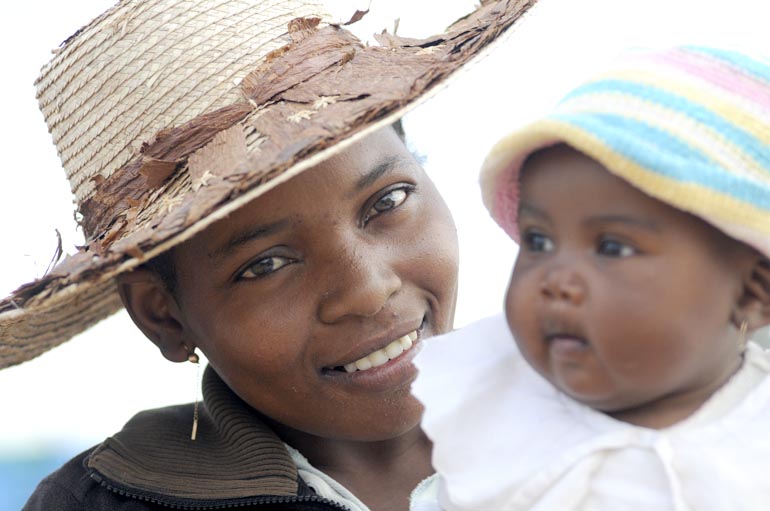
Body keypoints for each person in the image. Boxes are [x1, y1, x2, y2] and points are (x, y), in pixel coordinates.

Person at [0, 0, 536, 509]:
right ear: (162, 315)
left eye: (387, 201)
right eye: (266, 264)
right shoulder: (98, 504)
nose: (368, 290)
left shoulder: (596, 412)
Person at [412, 45, 770, 510]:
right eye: (538, 242)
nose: (556, 280)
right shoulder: (491, 417)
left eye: (611, 248)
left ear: (753, 292)